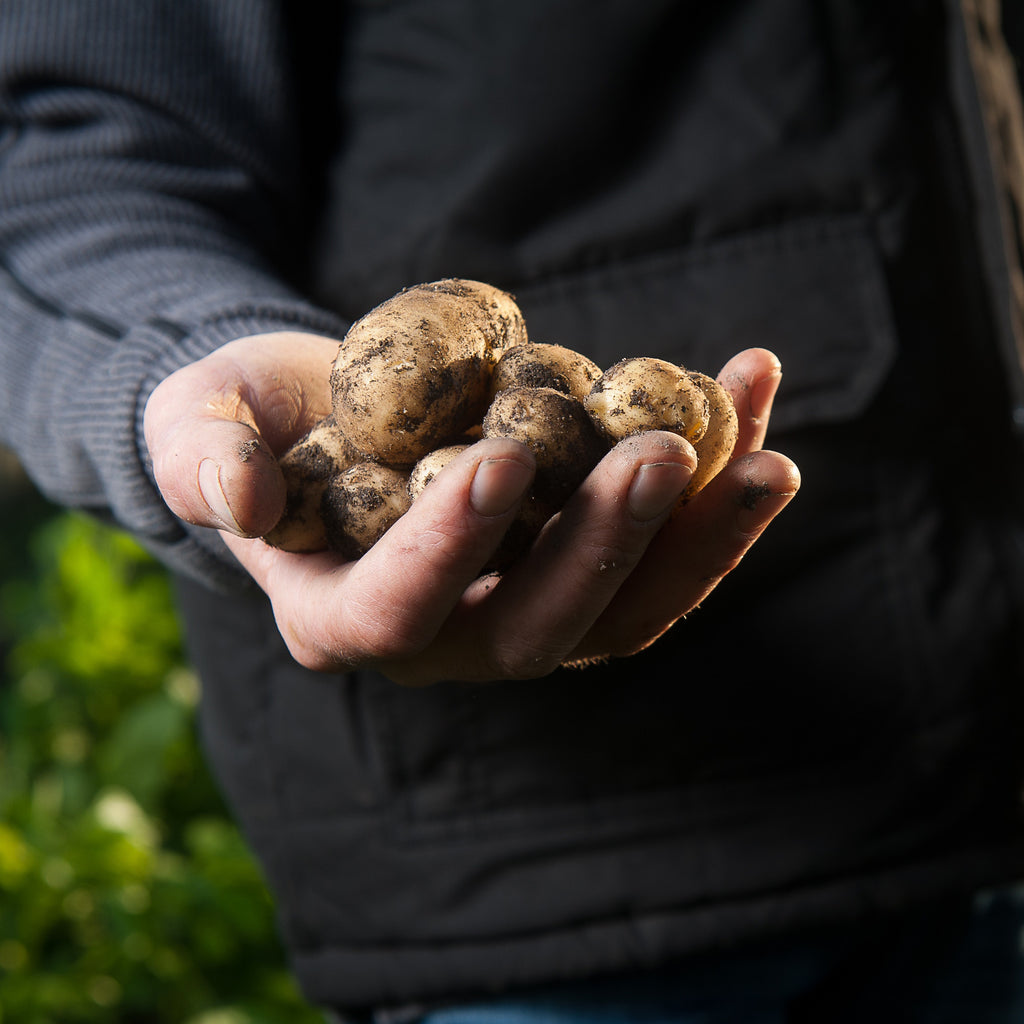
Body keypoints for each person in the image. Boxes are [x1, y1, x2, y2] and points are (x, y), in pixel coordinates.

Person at [2, 1, 1024, 1021]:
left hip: (977, 793)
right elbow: (71, 167)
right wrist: (188, 358)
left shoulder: (560, 398)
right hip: (532, 891)